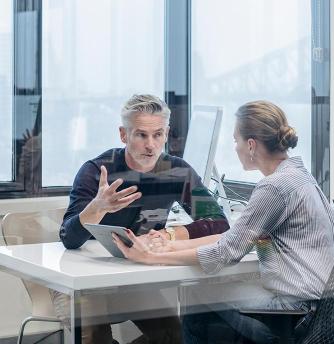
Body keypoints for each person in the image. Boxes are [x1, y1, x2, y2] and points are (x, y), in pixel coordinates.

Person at [113, 100, 334, 343]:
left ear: (251, 145)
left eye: (236, 141)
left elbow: (226, 253)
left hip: (295, 312)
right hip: (319, 311)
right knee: (211, 307)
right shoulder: (299, 176)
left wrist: (151, 257)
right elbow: (239, 239)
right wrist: (169, 245)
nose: (235, 148)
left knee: (197, 298)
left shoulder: (275, 187)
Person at [53, 94, 230, 344]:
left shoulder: (178, 170)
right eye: (141, 135)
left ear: (166, 134)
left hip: (131, 278)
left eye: (158, 134)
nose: (151, 145)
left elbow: (218, 223)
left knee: (176, 336)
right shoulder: (96, 171)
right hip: (81, 284)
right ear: (124, 135)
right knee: (95, 339)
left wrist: (168, 235)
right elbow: (69, 239)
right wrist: (97, 207)